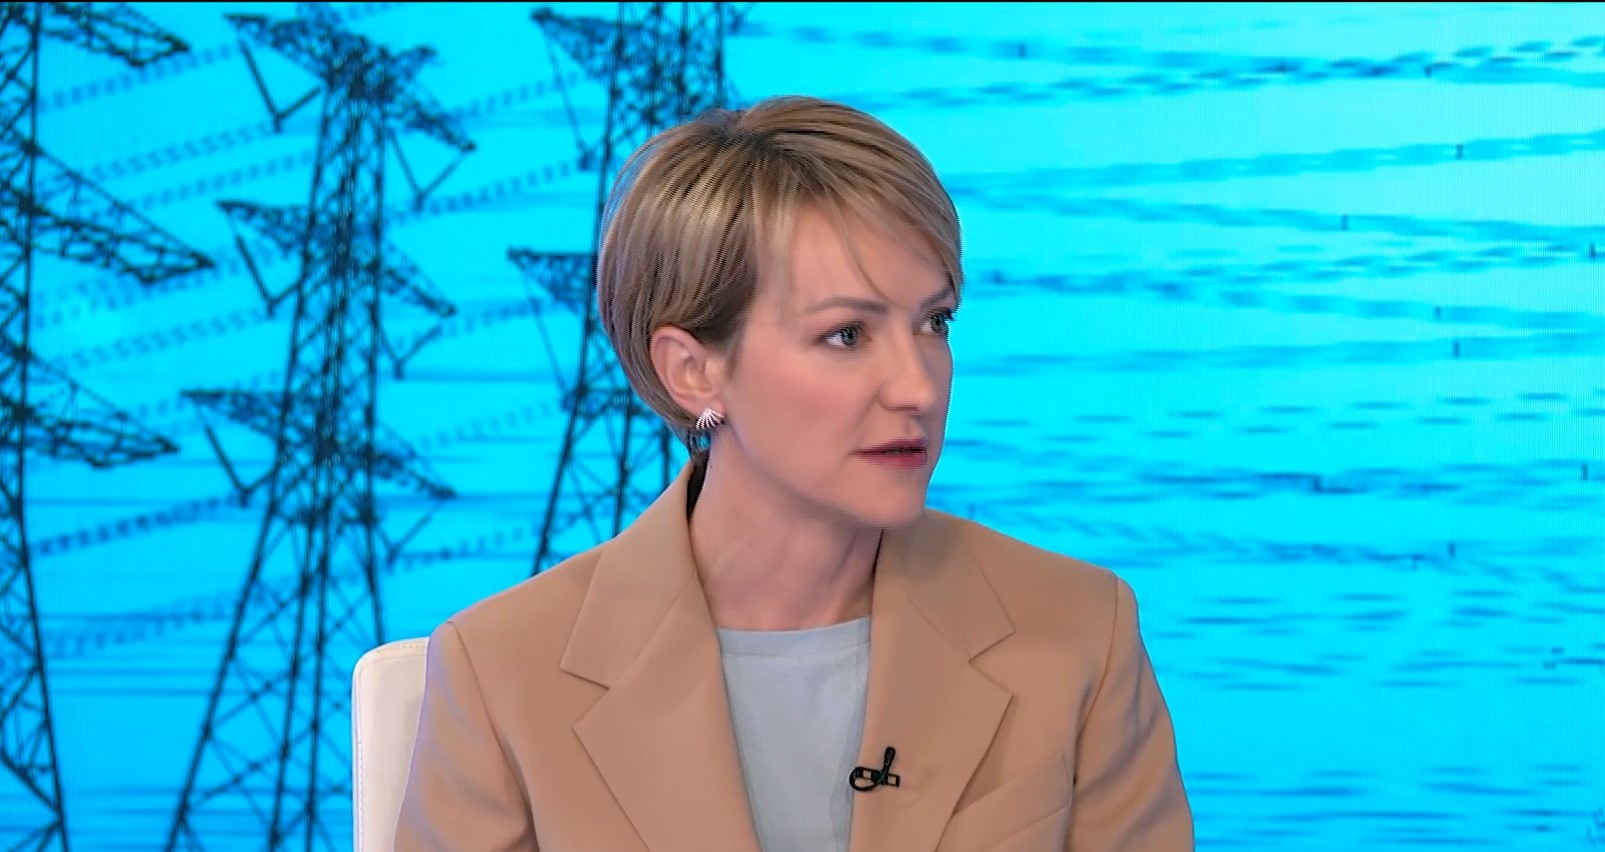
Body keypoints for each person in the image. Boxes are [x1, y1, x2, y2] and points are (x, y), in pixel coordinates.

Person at [394, 94, 1193, 851]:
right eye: (847, 334)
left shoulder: (1080, 633)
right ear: (692, 371)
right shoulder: (502, 675)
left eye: (933, 322)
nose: (917, 388)